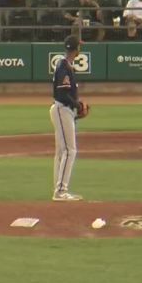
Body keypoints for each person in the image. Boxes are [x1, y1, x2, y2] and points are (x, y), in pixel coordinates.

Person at [50, 35, 87, 202]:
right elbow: (62, 93)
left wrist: (75, 105)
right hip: (62, 109)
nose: (81, 48)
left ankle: (59, 190)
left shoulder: (64, 65)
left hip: (62, 109)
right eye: (79, 46)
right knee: (69, 150)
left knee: (61, 152)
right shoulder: (64, 67)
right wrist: (77, 105)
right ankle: (61, 191)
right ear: (76, 49)